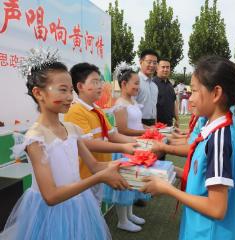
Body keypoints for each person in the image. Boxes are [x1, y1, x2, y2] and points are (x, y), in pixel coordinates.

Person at [0, 49, 128, 239]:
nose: (70, 96)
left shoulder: (72, 129)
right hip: (49, 215)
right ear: (38, 93)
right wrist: (100, 178)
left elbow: (94, 165)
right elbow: (51, 196)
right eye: (62, 90)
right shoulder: (36, 138)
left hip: (79, 204)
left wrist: (125, 165)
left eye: (70, 90)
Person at [141, 55, 235, 240]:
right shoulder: (211, 132)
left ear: (216, 93)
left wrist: (167, 189)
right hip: (198, 228)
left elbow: (216, 208)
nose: (190, 98)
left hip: (209, 233)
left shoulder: (218, 139)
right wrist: (168, 170)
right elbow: (200, 175)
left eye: (194, 91)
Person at [104, 62, 150, 232]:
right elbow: (122, 129)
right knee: (124, 183)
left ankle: (129, 214)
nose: (138, 87)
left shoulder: (132, 101)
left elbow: (138, 123)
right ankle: (122, 220)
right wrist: (143, 134)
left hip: (135, 146)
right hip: (124, 147)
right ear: (124, 84)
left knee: (132, 181)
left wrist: (149, 130)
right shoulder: (120, 103)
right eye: (136, 83)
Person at [135, 49, 159, 126]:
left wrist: (154, 125)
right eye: (149, 62)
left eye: (155, 63)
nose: (152, 65)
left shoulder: (154, 86)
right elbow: (129, 108)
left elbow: (154, 108)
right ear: (141, 62)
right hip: (137, 123)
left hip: (152, 124)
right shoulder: (134, 82)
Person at [153, 58, 179, 127]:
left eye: (168, 67)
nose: (165, 69)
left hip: (169, 125)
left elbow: (173, 103)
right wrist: (155, 126)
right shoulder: (152, 84)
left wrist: (177, 120)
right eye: (163, 67)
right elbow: (152, 106)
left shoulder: (170, 85)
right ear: (157, 68)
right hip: (157, 126)